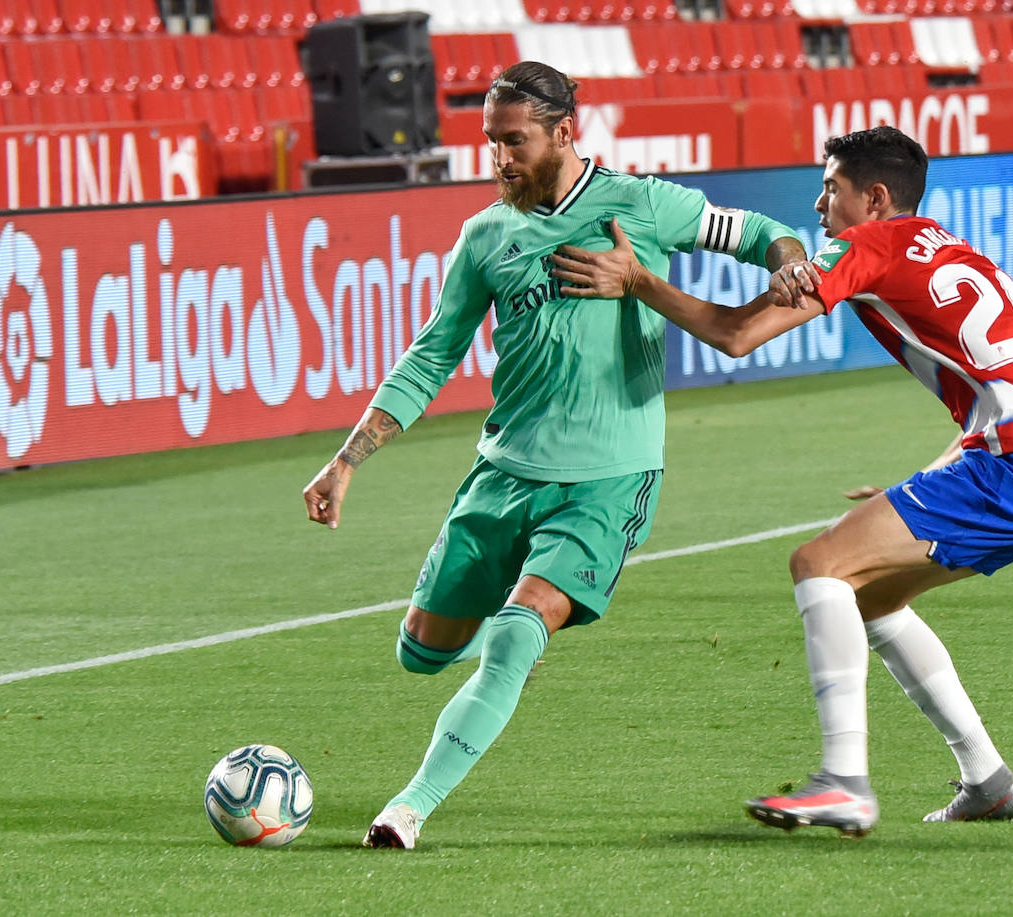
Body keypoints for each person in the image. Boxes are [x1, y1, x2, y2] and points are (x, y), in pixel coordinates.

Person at [301, 60, 809, 849]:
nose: (499, 160)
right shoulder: (486, 235)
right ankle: (509, 632)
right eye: (490, 144)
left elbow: (756, 233)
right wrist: (346, 460)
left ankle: (408, 807)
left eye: (515, 142)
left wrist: (789, 266)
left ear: (564, 132)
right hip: (504, 473)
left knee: (514, 634)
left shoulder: (641, 204)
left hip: (609, 476)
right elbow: (432, 355)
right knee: (421, 652)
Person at [551, 126, 1013, 836]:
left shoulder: (865, 244)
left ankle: (844, 781)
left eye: (830, 188)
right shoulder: (948, 246)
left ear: (873, 197)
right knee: (866, 595)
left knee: (818, 564)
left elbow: (737, 335)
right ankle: (988, 779)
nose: (817, 206)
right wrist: (939, 474)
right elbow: (1007, 385)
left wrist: (640, 281)